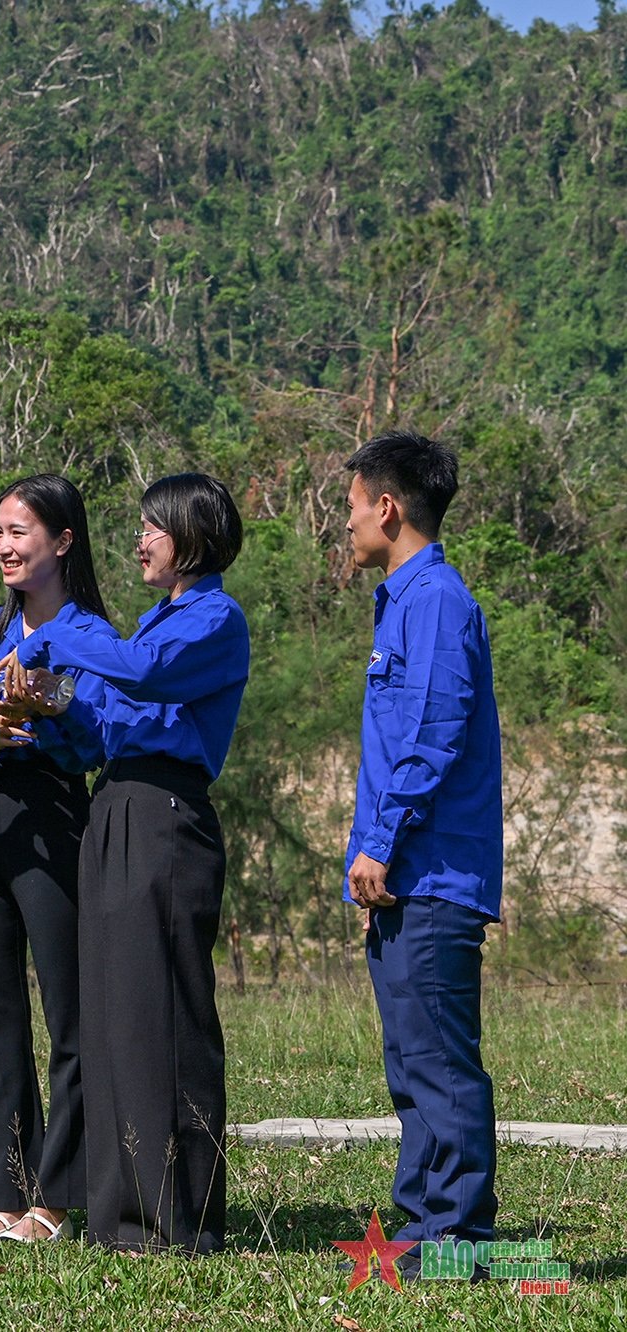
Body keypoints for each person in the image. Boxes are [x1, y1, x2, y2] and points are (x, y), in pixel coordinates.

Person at [0, 471, 248, 1255]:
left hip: (166, 816)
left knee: (161, 1014)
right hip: (116, 808)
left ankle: (176, 1216)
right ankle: (119, 1213)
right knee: (111, 1014)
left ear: (193, 537)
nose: (138, 540)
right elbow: (112, 720)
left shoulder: (213, 620)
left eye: (152, 527)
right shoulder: (152, 623)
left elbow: (140, 677)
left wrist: (48, 636)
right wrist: (54, 700)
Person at [0, 474, 108, 1243]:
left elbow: (101, 740)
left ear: (62, 541)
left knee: (69, 1014)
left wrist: (41, 720)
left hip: (57, 815)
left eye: (20, 532)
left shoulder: (92, 636)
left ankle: (59, 1197)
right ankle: (4, 1194)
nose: (4, 547)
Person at [341, 430, 500, 1260]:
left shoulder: (436, 600)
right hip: (401, 877)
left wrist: (379, 844)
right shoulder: (402, 600)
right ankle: (426, 1224)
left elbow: (432, 735)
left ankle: (458, 1235)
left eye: (354, 507)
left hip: (431, 872)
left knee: (439, 1063)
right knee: (411, 1063)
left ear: (388, 507)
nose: (349, 524)